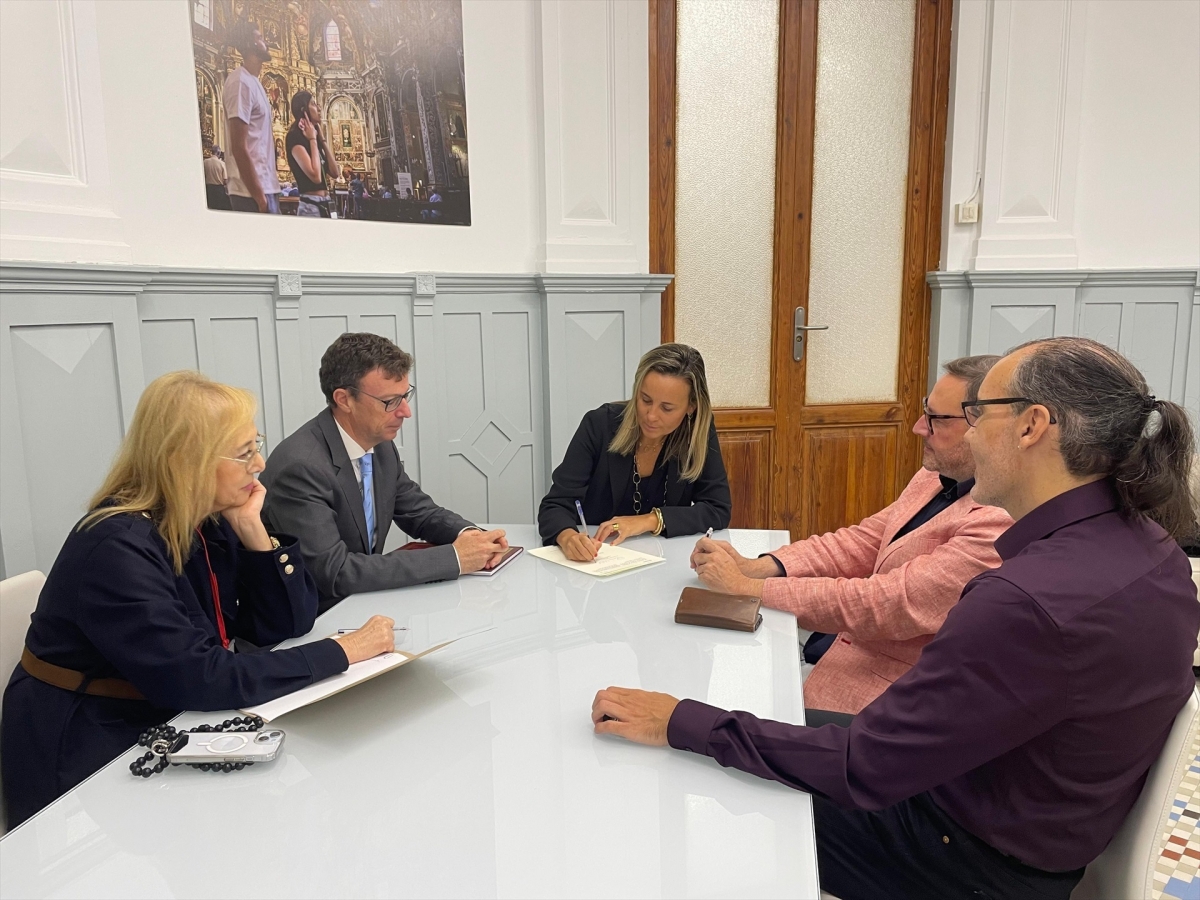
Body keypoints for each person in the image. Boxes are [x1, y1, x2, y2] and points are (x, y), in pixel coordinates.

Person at [591, 337, 1199, 900]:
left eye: (975, 415)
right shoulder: (1154, 549)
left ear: (1031, 427)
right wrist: (761, 573)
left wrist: (681, 723)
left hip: (963, 857)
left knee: (687, 765)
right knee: (756, 714)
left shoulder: (1024, 598)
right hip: (1018, 810)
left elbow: (864, 768)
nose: (950, 431)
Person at [0, 372, 395, 827]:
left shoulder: (205, 518)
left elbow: (286, 624)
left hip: (161, 714)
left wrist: (254, 530)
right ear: (185, 460)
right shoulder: (114, 545)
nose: (261, 463)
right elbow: (200, 677)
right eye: (245, 452)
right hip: (89, 740)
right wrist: (343, 651)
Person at [690, 355, 1012, 723]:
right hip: (842, 655)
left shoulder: (998, 523)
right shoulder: (934, 474)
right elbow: (862, 541)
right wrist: (762, 567)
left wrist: (746, 587)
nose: (918, 427)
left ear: (985, 428)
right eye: (926, 411)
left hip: (894, 701)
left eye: (937, 419)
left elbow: (887, 602)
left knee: (722, 716)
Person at [261, 333, 508, 613]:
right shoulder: (300, 466)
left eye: (405, 396)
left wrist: (472, 537)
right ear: (344, 399)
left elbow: (419, 512)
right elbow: (335, 572)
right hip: (310, 622)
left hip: (362, 604)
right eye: (390, 401)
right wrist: (455, 558)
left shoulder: (380, 446)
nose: (405, 412)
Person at [538, 343, 731, 560]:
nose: (650, 415)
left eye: (666, 408)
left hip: (664, 564)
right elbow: (554, 505)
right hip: (598, 563)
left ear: (691, 407)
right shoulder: (599, 425)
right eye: (645, 400)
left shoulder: (697, 432)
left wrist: (651, 520)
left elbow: (718, 508)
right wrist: (567, 538)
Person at [222, 22, 280, 214]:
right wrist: (259, 197)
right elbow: (239, 146)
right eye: (260, 38)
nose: (265, 42)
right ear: (250, 44)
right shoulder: (240, 82)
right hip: (250, 193)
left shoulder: (254, 82)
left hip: (264, 188)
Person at [286, 90, 340, 218]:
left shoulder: (315, 137)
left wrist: (322, 140)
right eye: (313, 104)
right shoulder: (294, 137)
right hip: (310, 207)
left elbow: (335, 172)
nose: (319, 108)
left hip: (326, 202)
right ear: (304, 110)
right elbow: (316, 176)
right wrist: (312, 140)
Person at [202, 144, 231, 210]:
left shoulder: (205, 162)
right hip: (219, 190)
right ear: (219, 153)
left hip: (208, 189)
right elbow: (225, 180)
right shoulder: (221, 164)